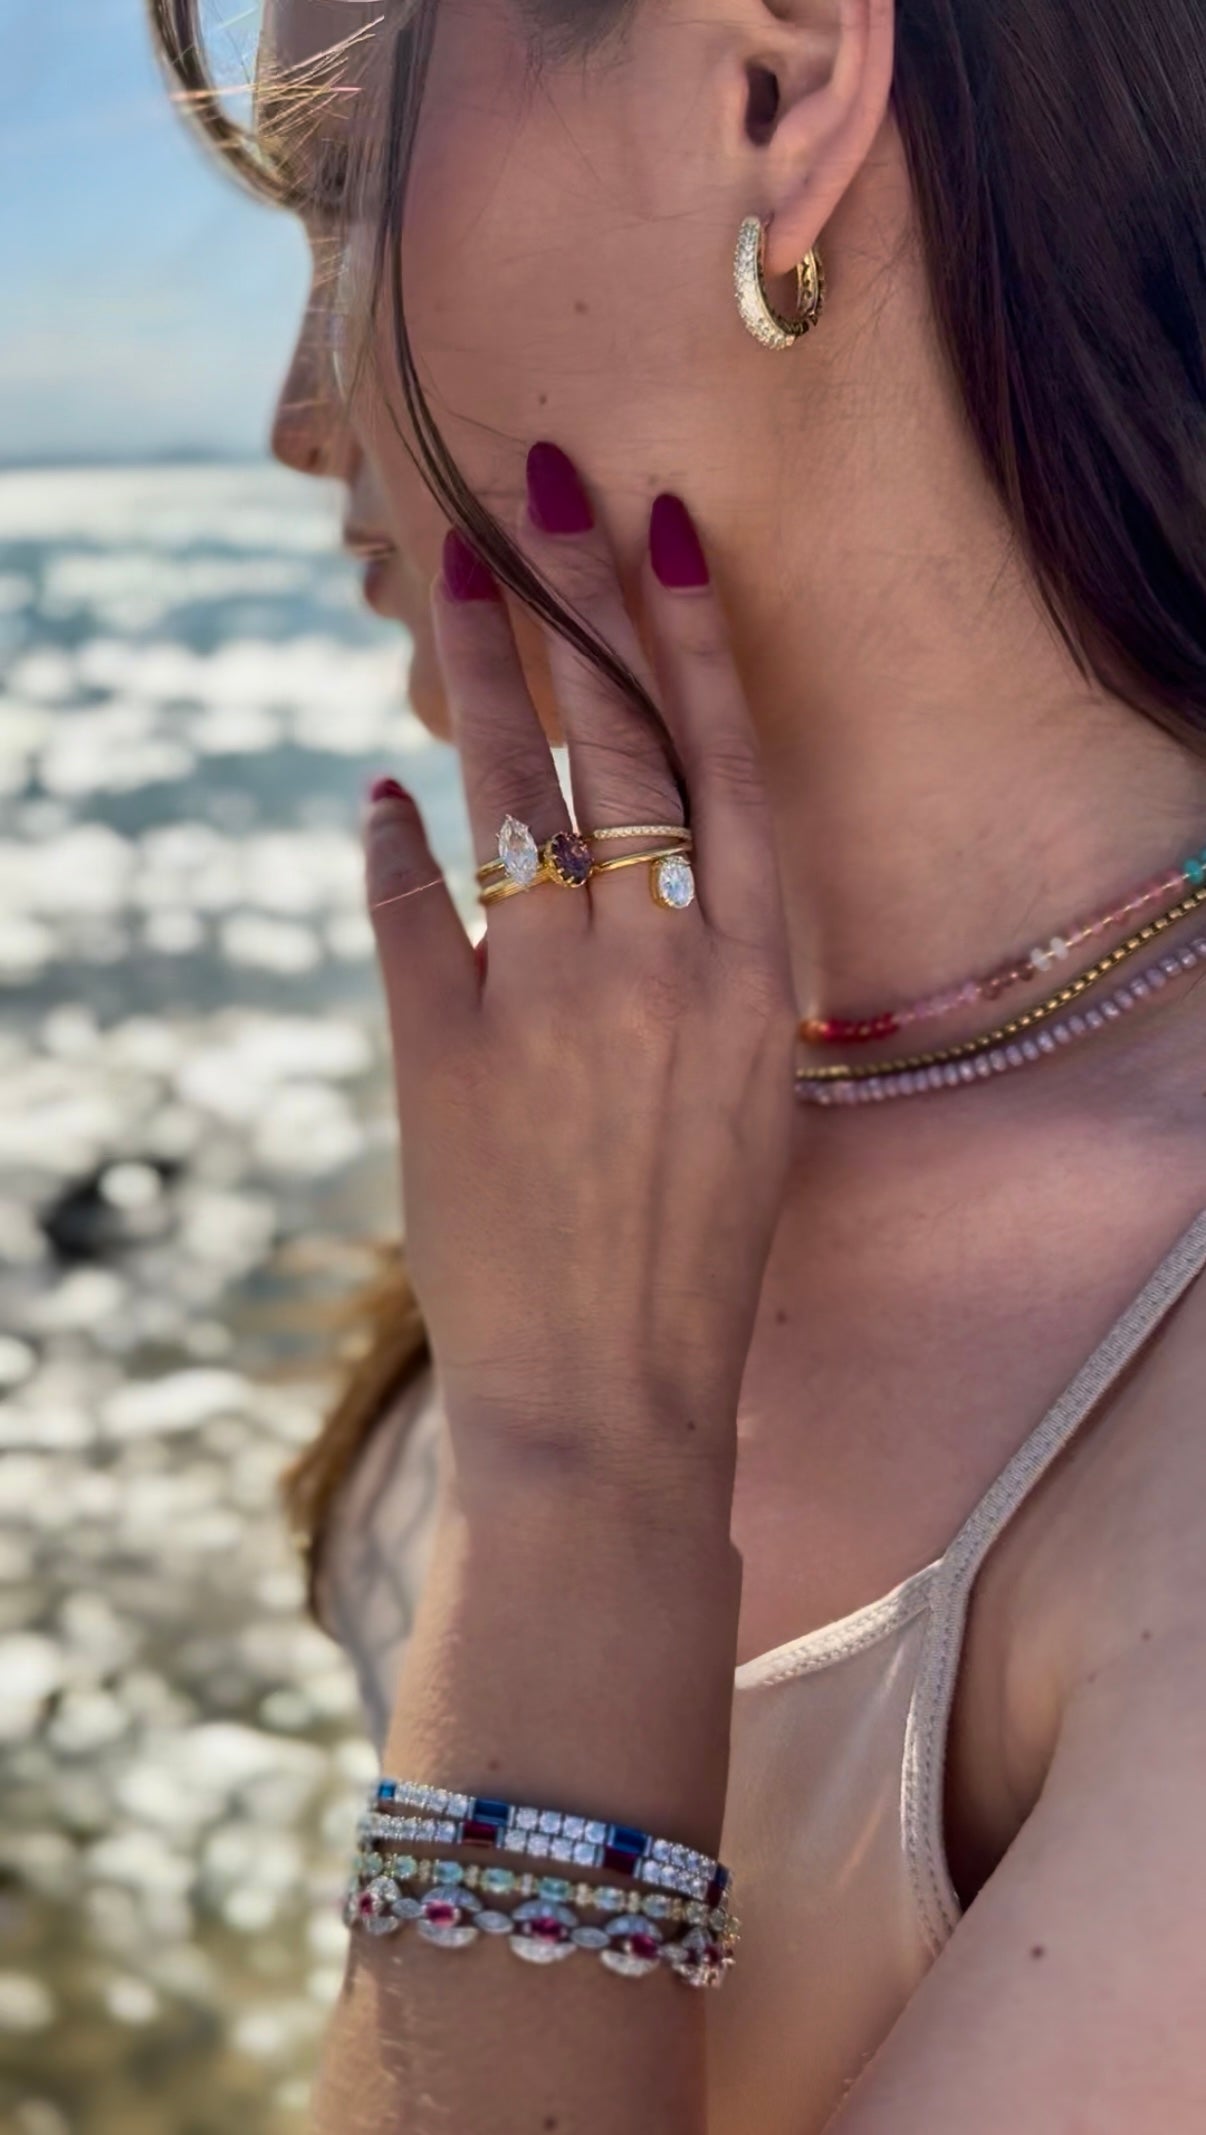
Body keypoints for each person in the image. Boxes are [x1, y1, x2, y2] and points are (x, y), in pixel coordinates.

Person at [148, 0, 1206, 2126]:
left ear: (780, 86)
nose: (288, 411)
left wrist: (587, 1485)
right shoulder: (629, 1068)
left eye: (341, 199)